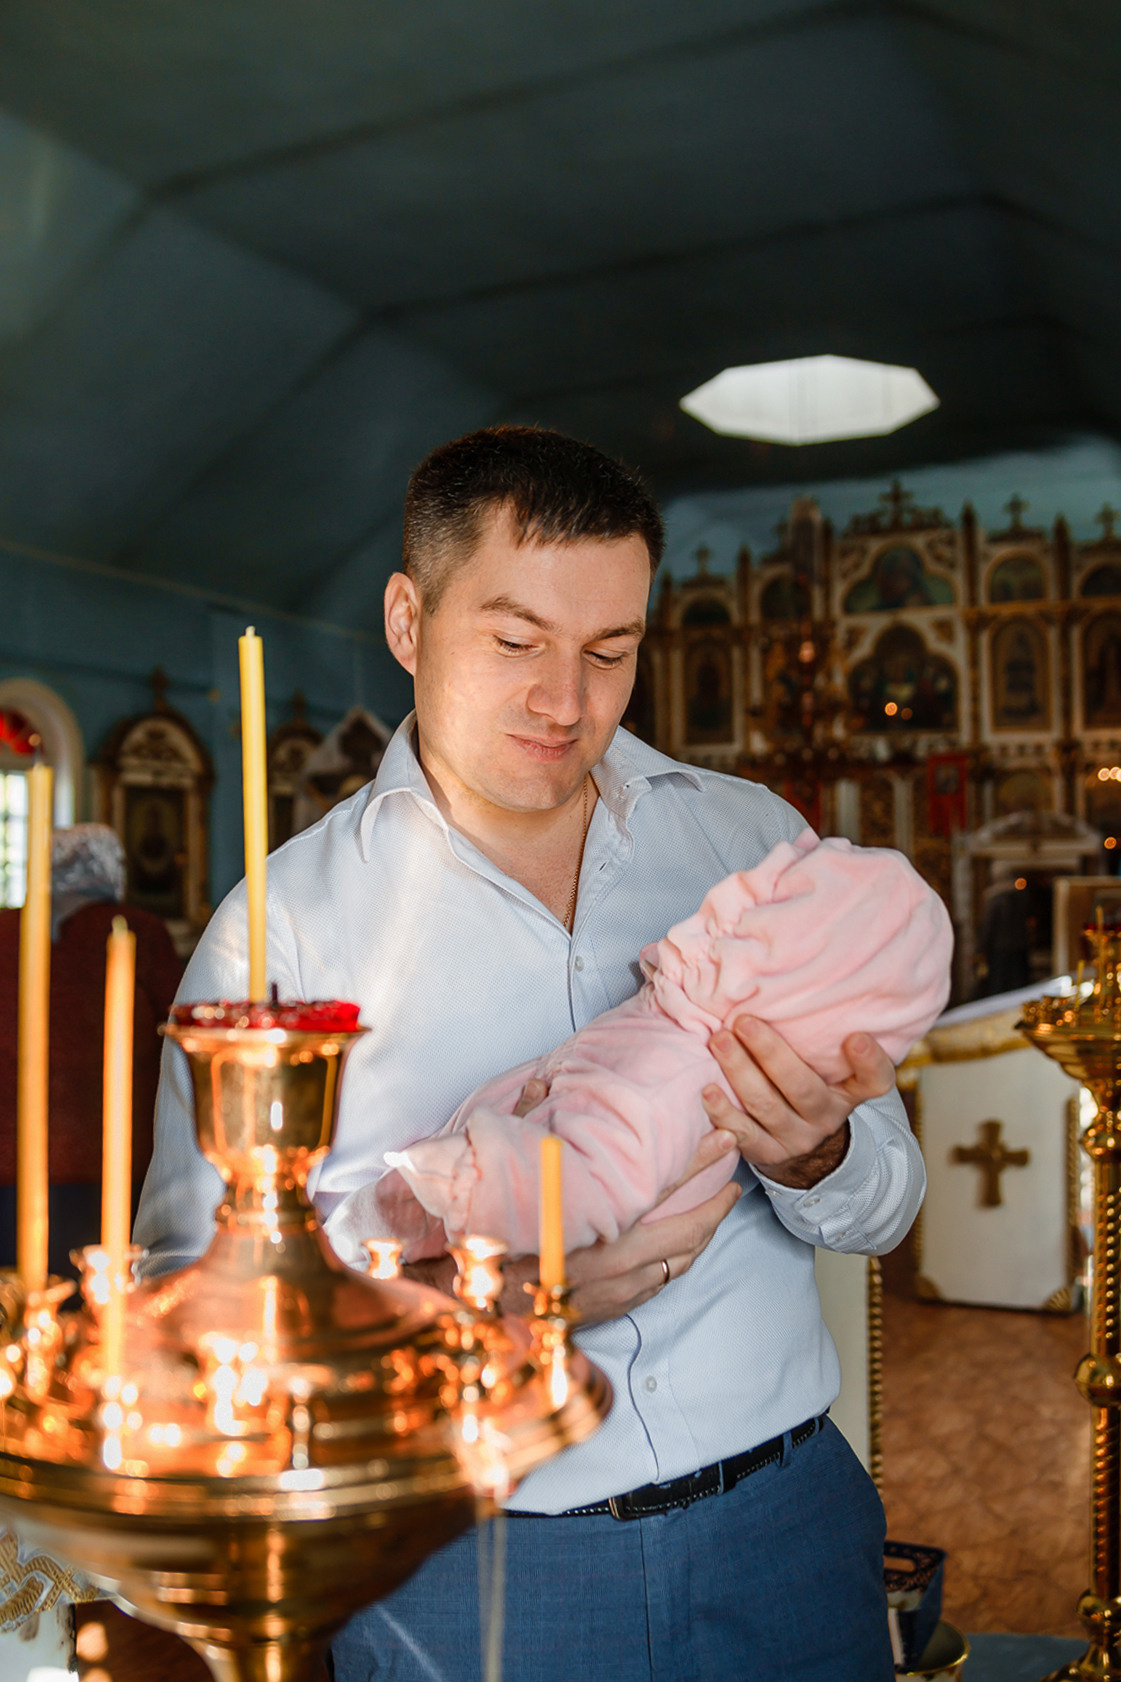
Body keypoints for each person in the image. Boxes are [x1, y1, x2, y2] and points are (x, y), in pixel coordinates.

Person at [136, 425, 924, 1682]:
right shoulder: (279, 932)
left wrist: (820, 1146)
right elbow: (190, 1315)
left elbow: (886, 1203)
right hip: (470, 1562)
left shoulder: (748, 844)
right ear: (408, 618)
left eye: (610, 651)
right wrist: (467, 1307)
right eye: (515, 642)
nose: (569, 702)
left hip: (785, 1523)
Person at [363, 827, 952, 1261]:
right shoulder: (293, 902)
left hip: (443, 1207)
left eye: (608, 653)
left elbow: (584, 1189)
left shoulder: (673, 1072)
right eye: (513, 648)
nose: (728, 900)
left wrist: (453, 1181)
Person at [0, 824, 183, 1274]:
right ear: (111, 869)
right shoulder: (137, 929)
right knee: (104, 1299)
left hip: (11, 1156)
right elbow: (183, 1031)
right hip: (113, 1155)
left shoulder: (5, 930)